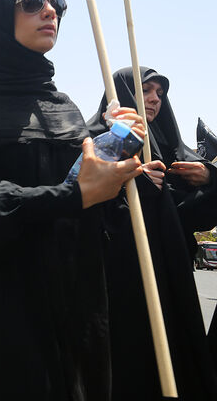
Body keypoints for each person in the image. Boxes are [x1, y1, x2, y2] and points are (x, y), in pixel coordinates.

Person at [0, 0, 144, 400]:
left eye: (57, 4)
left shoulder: (64, 108)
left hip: (73, 306)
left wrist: (118, 160)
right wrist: (74, 194)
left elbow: (88, 196)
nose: (49, 10)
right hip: (3, 312)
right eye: (32, 2)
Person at [87, 67, 217, 399]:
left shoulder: (174, 150)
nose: (155, 99)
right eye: (146, 90)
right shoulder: (98, 140)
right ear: (124, 94)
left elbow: (193, 215)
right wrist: (126, 185)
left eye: (160, 93)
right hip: (118, 274)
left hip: (171, 272)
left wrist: (210, 180)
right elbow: (79, 201)